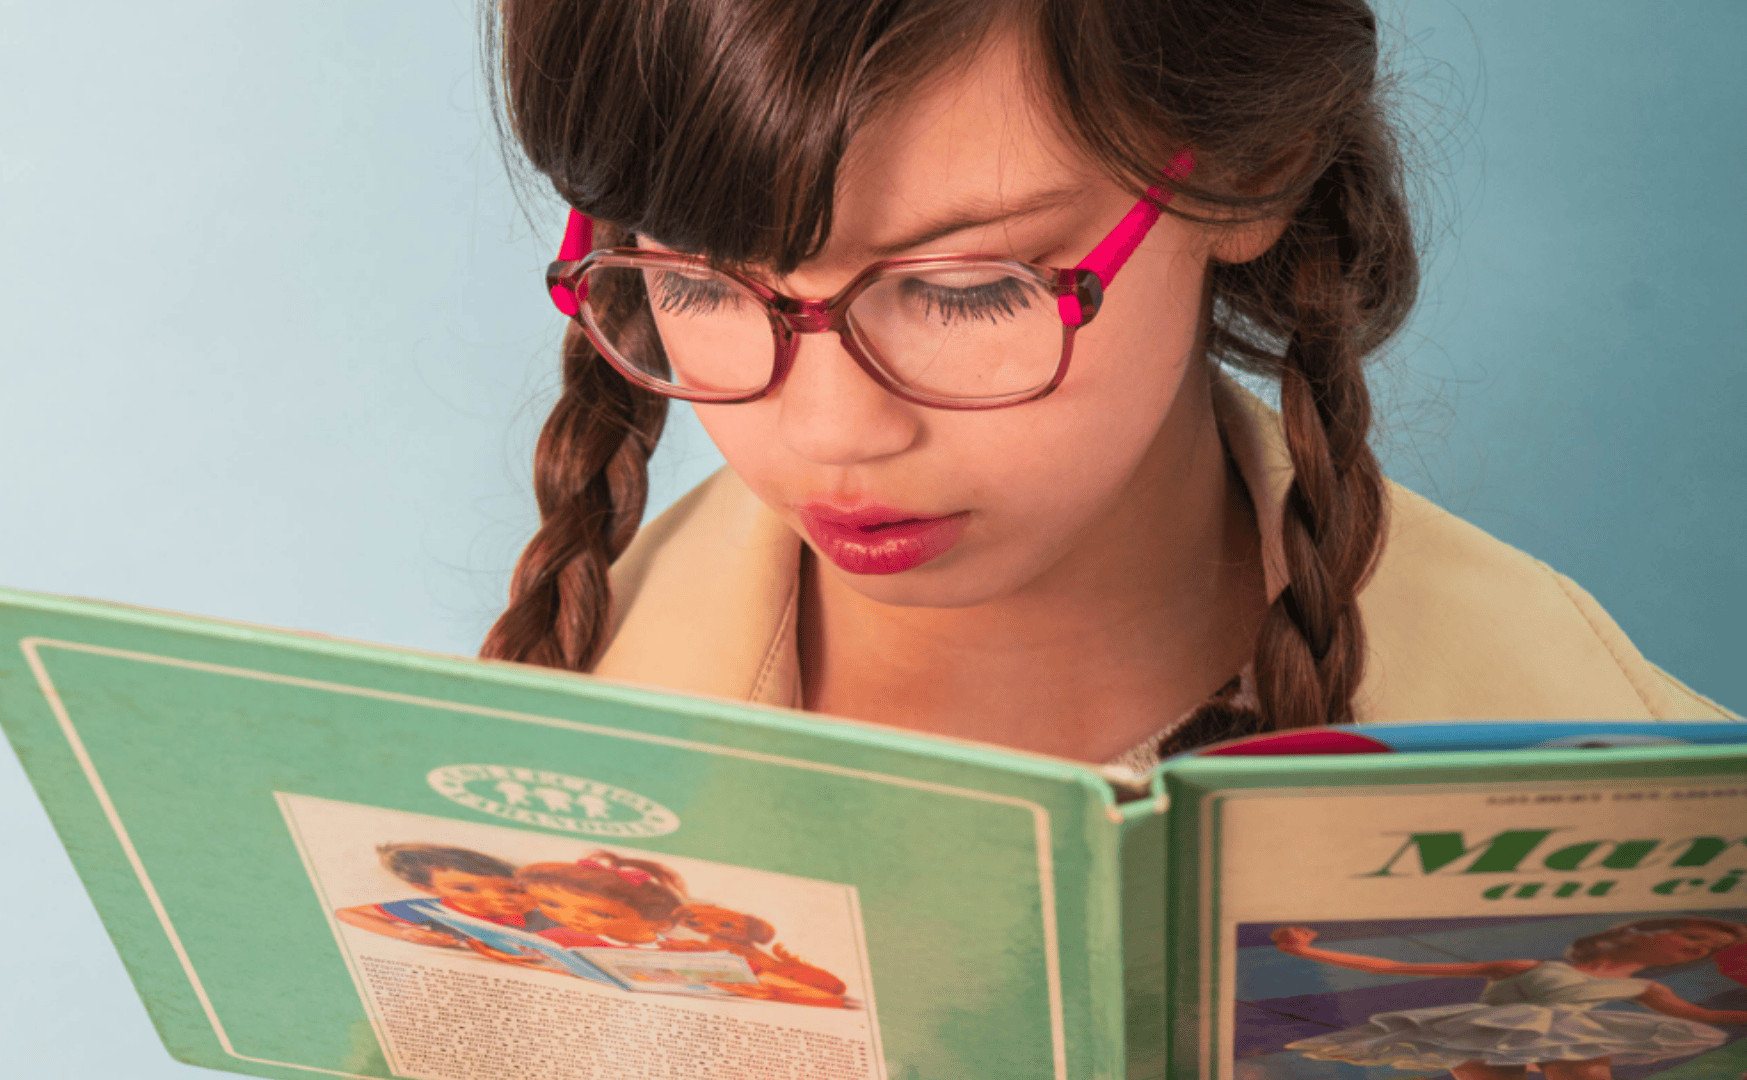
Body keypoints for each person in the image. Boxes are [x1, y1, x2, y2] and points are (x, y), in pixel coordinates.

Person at [478, 0, 1734, 769]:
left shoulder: (1634, 785)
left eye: (968, 288)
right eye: (696, 286)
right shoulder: (517, 761)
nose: (829, 432)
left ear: (1255, 168)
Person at [1270, 918, 1747, 1078]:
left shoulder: (1647, 988)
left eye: (1709, 950)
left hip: (1572, 1036)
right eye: (1693, 936)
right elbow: (1394, 967)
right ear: (1646, 931)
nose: (1699, 951)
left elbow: (1709, 1014)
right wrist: (1305, 949)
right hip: (1485, 1033)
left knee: (1582, 1061)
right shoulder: (1529, 969)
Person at [334, 843, 557, 948]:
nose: (499, 899)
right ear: (428, 889)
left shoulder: (542, 913)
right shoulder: (433, 910)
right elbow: (346, 914)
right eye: (466, 889)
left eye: (512, 890)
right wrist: (404, 933)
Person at [516, 852, 688, 948]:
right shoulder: (559, 938)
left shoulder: (679, 949)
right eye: (552, 904)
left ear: (660, 923)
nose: (572, 917)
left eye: (601, 914)